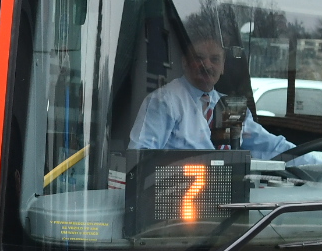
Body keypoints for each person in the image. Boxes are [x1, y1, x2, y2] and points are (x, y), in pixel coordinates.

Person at [129, 36, 308, 160]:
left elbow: (269, 145)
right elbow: (141, 157)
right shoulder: (165, 101)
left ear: (223, 67)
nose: (207, 65)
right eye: (199, 58)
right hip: (178, 198)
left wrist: (319, 163)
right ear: (185, 62)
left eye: (215, 59)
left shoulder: (230, 106)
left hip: (226, 195)